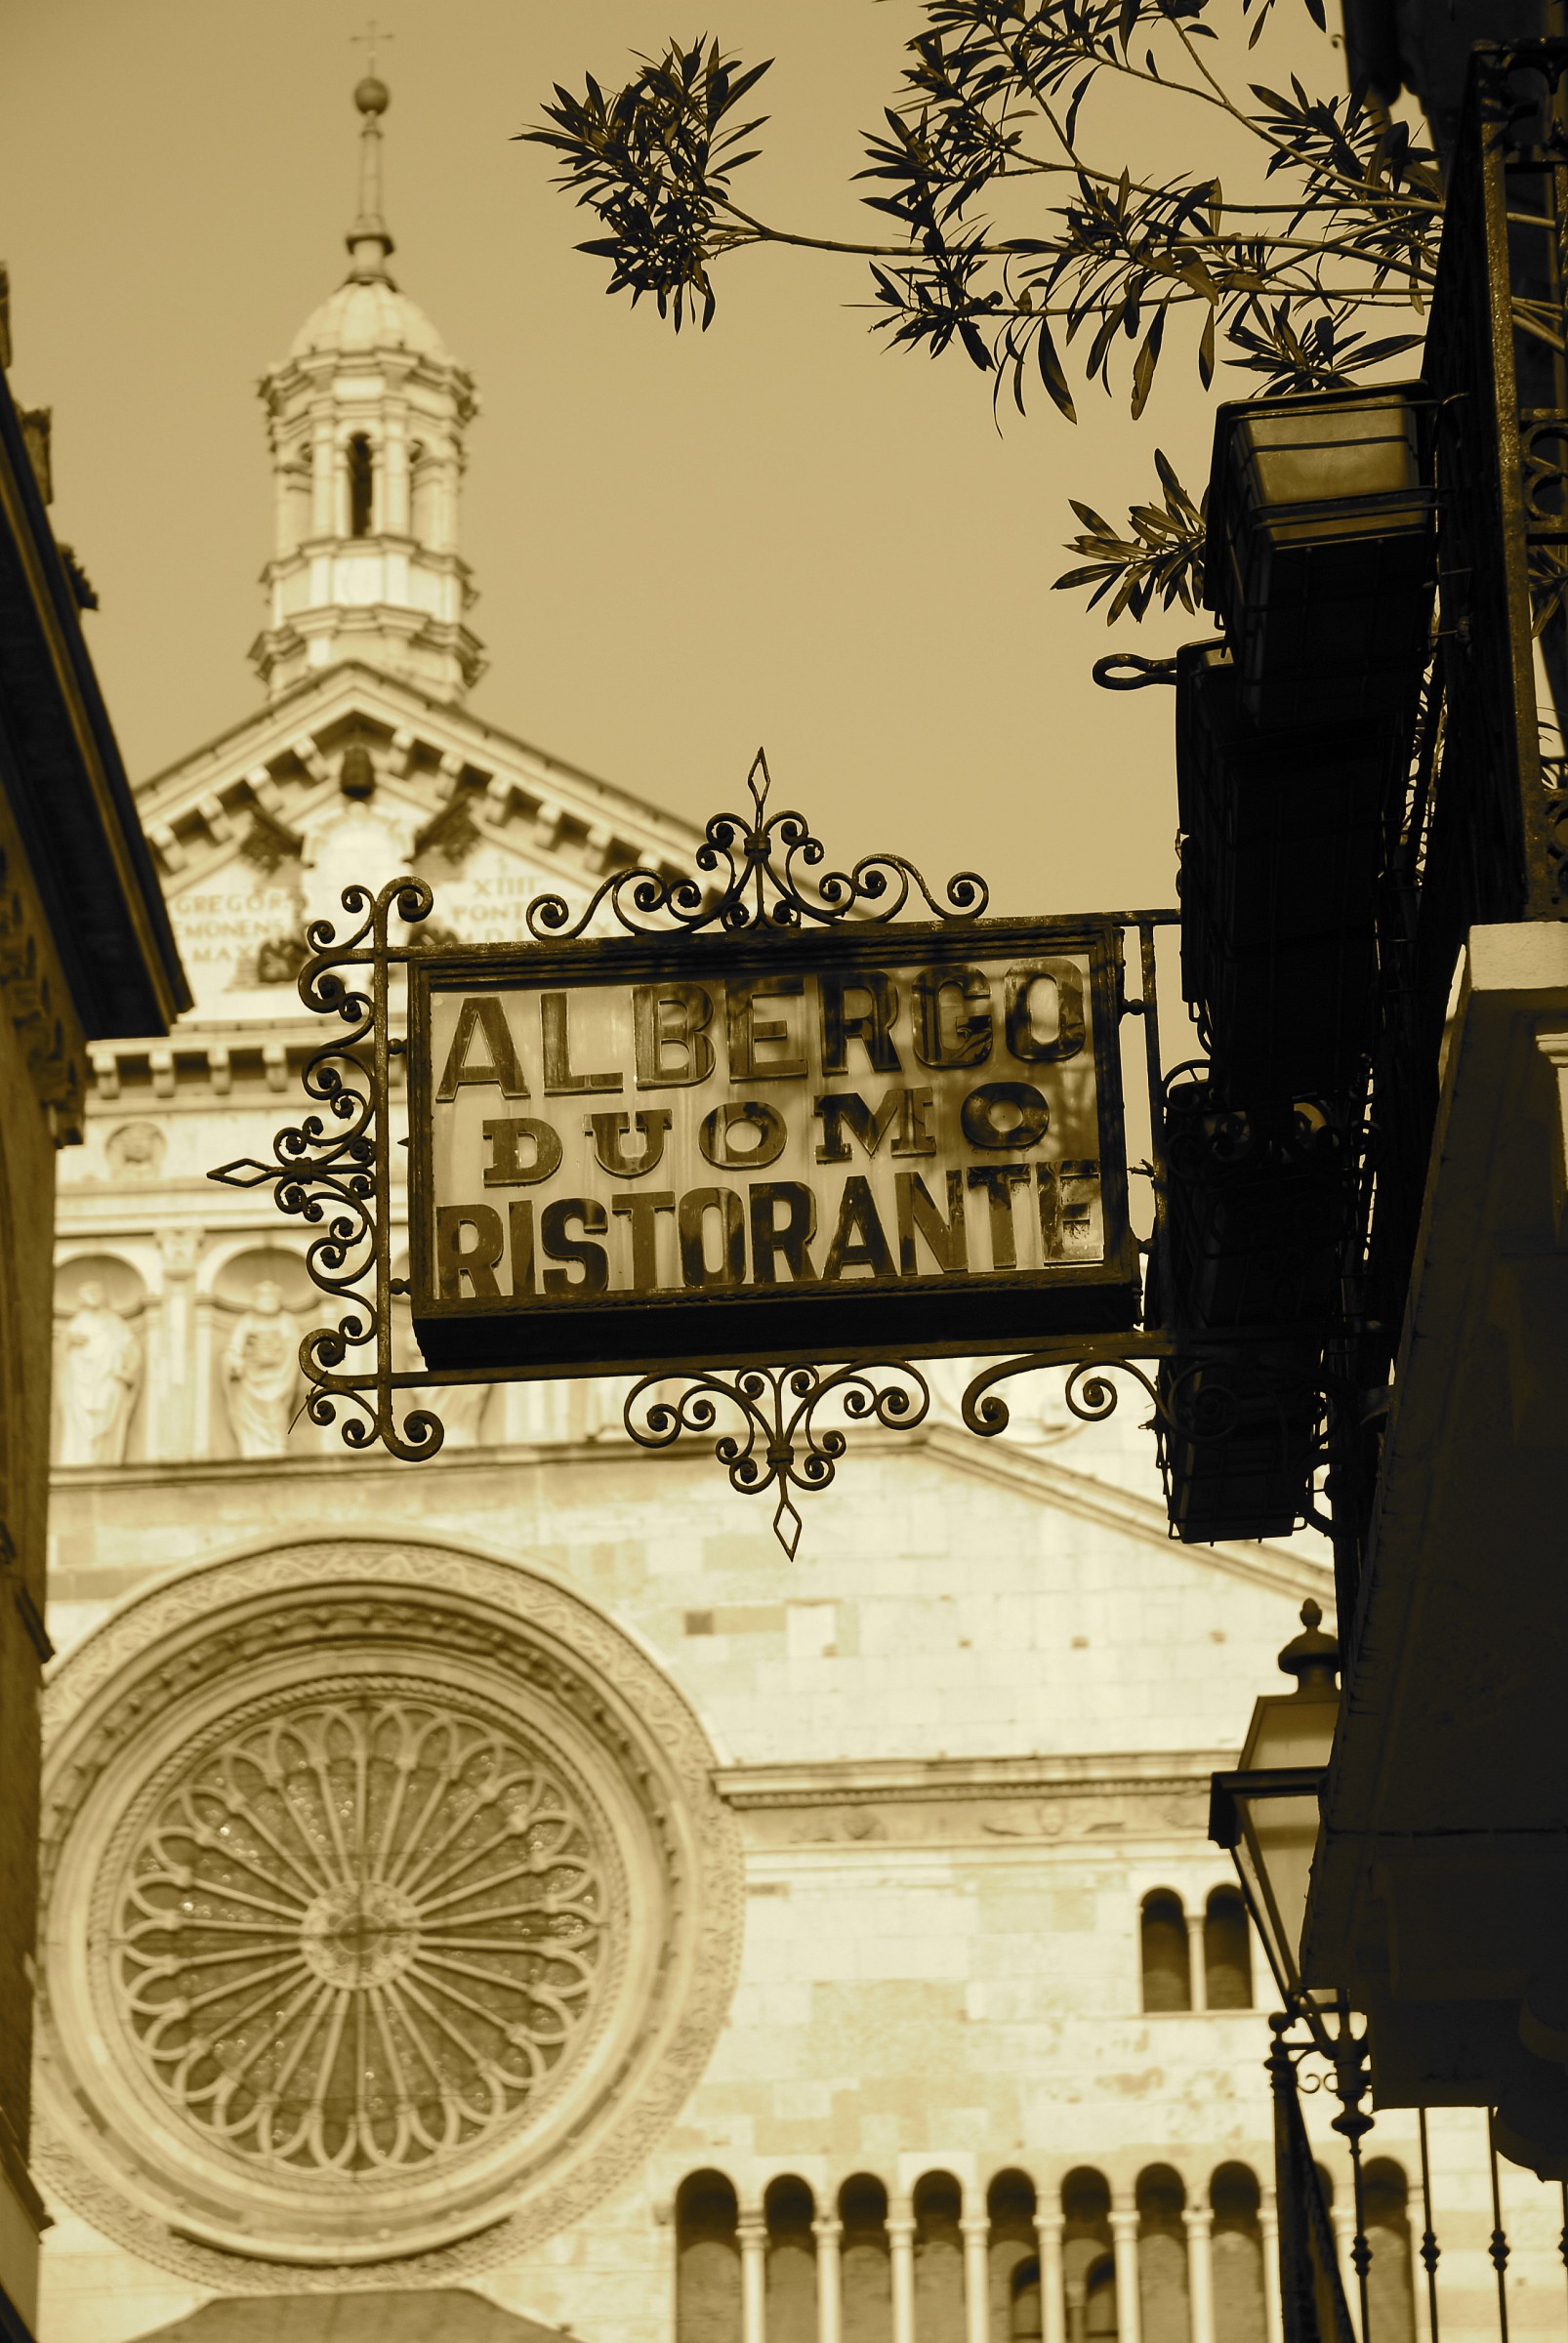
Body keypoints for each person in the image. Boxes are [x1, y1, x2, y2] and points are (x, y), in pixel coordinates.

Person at [58, 1281, 142, 1466]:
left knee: (108, 1417)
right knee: (78, 1423)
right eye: (88, 1291)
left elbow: (131, 1348)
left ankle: (106, 1460)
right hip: (80, 1382)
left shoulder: (114, 1322)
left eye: (97, 1291)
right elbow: (62, 1352)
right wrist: (69, 1341)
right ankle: (79, 1459)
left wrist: (128, 1370)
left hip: (109, 1379)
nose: (94, 1294)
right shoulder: (75, 1324)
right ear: (81, 1297)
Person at [223, 1280, 301, 1457]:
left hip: (278, 1378)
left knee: (274, 1410)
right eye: (263, 1295)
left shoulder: (286, 1321)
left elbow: (294, 1349)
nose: (267, 1299)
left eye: (271, 1295)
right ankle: (251, 1449)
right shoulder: (246, 1321)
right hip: (250, 1380)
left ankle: (276, 1447)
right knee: (247, 1415)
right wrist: (236, 1362)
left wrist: (273, 1355)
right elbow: (233, 1349)